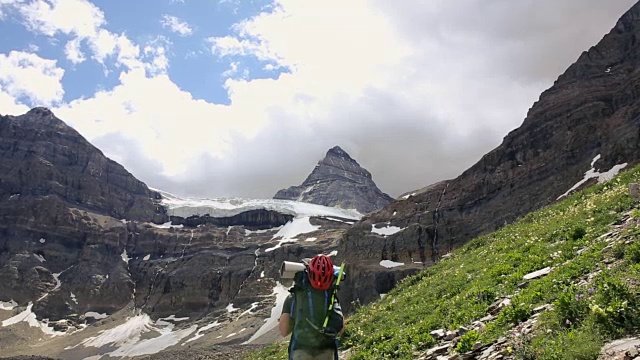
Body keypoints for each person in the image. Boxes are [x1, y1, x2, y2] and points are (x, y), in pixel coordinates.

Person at [279, 254, 345, 360]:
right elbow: (341, 328)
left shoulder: (294, 297)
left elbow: (284, 331)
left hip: (300, 351)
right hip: (328, 351)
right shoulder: (331, 296)